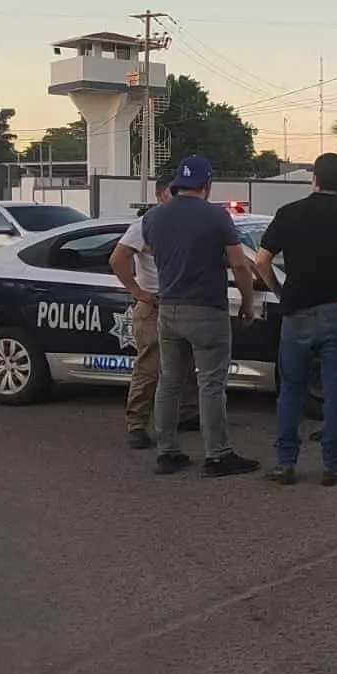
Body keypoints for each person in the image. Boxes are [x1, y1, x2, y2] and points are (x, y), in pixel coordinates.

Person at [254, 153, 337, 486]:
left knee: (291, 391)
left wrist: (281, 292)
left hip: (295, 312)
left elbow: (262, 261)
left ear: (314, 179)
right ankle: (332, 465)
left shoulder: (289, 214)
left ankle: (285, 463)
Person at [139, 155, 261, 478]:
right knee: (210, 384)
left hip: (168, 309)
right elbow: (239, 264)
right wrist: (248, 302)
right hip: (207, 310)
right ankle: (217, 455)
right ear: (207, 185)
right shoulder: (216, 217)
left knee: (169, 382)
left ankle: (167, 452)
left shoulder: (153, 218)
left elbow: (155, 254)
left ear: (178, 183)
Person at [110, 179, 199, 449]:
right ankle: (137, 423)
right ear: (162, 194)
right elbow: (117, 259)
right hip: (155, 304)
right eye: (174, 192)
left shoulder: (186, 225)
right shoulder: (144, 225)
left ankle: (187, 414)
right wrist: (137, 291)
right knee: (149, 366)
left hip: (181, 302)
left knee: (184, 363)